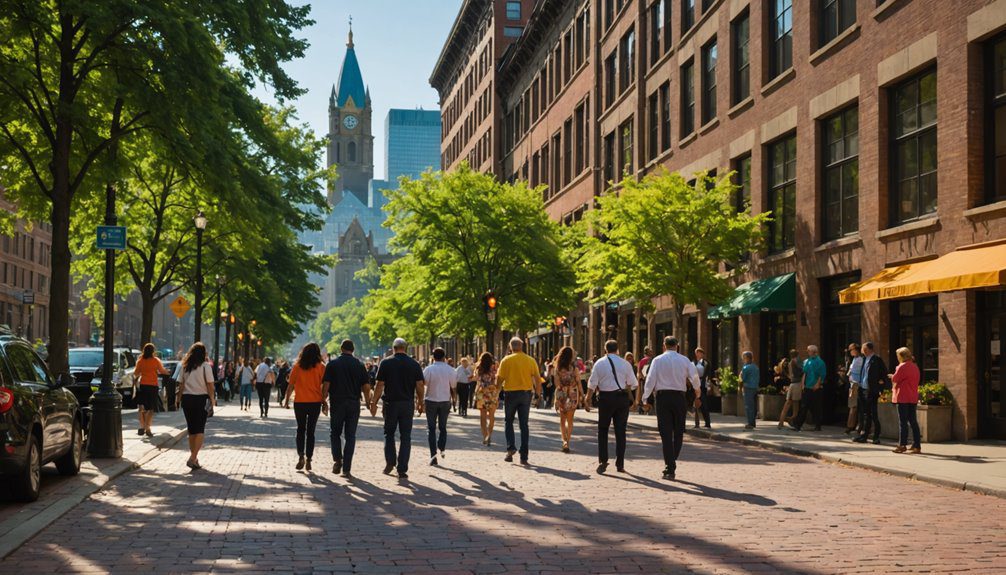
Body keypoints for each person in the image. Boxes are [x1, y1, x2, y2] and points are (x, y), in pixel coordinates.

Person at [641, 336, 700, 481]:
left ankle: (670, 465)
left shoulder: (657, 360)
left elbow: (650, 380)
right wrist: (697, 392)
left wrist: (644, 398)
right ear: (677, 346)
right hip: (679, 397)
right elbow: (694, 376)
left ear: (664, 346)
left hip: (663, 398)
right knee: (679, 430)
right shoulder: (685, 360)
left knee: (665, 432)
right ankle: (672, 461)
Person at [369, 338, 424, 479]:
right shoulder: (414, 364)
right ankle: (402, 468)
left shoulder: (386, 362)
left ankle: (390, 462)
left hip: (391, 404)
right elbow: (419, 385)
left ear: (393, 348)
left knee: (389, 433)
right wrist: (420, 402)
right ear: (405, 348)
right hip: (407, 404)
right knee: (406, 436)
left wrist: (374, 402)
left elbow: (380, 384)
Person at [584, 340, 638, 474]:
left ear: (605, 349)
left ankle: (603, 460)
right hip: (621, 399)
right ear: (617, 349)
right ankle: (620, 463)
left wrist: (587, 398)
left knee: (603, 430)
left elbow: (592, 383)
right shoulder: (625, 364)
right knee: (621, 431)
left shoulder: (599, 363)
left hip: (606, 399)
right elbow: (633, 383)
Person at [322, 339, 372, 478]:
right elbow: (366, 387)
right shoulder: (359, 365)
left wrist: (323, 400)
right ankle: (347, 468)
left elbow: (326, 384)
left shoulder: (332, 364)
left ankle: (338, 459)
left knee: (335, 433)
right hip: (353, 403)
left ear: (341, 348)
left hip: (337, 402)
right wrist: (368, 402)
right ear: (353, 349)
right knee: (350, 436)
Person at [496, 337, 543, 465]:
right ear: (522, 347)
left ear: (511, 347)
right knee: (524, 425)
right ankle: (524, 456)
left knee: (509, 421)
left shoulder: (506, 360)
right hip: (525, 395)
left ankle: (510, 448)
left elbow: (499, 379)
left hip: (510, 394)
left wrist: (496, 393)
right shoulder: (530, 360)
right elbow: (538, 379)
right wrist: (538, 395)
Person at [283, 343, 326, 471]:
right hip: (315, 402)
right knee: (311, 431)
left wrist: (286, 401)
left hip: (300, 402)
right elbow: (324, 386)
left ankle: (301, 455)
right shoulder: (321, 367)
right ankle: (309, 459)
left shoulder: (297, 367)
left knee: (300, 429)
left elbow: (290, 386)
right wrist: (324, 401)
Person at [175, 342, 215, 470]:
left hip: (187, 399)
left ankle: (194, 458)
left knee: (191, 429)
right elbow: (210, 385)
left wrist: (178, 399)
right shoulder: (205, 367)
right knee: (200, 430)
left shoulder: (185, 366)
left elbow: (181, 384)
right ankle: (192, 457)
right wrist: (212, 399)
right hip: (201, 399)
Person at [423, 347, 456, 466]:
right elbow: (453, 385)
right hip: (444, 401)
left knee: (431, 428)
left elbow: (424, 383)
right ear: (444, 357)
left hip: (431, 400)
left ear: (433, 357)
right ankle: (441, 447)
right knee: (443, 427)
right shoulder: (450, 369)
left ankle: (433, 455)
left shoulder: (428, 369)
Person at [854, 342, 889, 444]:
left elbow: (884, 375)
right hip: (863, 389)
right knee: (865, 414)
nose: (863, 351)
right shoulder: (864, 359)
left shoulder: (877, 360)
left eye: (864, 349)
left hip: (872, 391)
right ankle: (864, 436)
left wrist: (879, 389)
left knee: (873, 414)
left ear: (869, 349)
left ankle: (876, 437)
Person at [890, 347, 922, 454]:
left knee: (902, 422)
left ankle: (902, 445)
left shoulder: (902, 366)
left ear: (901, 356)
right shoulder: (915, 367)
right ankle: (917, 445)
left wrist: (892, 375)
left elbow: (895, 379)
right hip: (912, 397)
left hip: (902, 396)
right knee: (913, 421)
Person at [133, 343, 168, 438]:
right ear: (153, 351)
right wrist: (167, 371)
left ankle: (142, 426)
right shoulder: (156, 361)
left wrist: (142, 372)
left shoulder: (140, 361)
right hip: (153, 386)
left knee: (142, 407)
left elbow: (136, 373)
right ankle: (147, 428)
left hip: (143, 385)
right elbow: (162, 371)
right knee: (151, 408)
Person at [790, 346, 826, 432]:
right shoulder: (807, 361)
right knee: (804, 406)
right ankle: (798, 425)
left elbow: (822, 374)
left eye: (809, 351)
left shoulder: (820, 362)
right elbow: (804, 374)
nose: (807, 352)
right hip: (807, 387)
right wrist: (802, 385)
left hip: (816, 388)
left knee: (816, 407)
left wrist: (818, 384)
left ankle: (818, 425)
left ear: (814, 352)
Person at [551, 346, 580, 453]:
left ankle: (564, 441)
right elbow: (578, 383)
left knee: (562, 420)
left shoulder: (557, 368)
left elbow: (557, 385)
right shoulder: (574, 368)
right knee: (570, 420)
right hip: (572, 394)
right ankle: (568, 440)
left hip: (562, 395)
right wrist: (582, 397)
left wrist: (556, 399)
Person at [474, 352, 499, 446]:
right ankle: (490, 434)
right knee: (491, 414)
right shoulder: (495, 367)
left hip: (481, 392)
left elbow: (477, 379)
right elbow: (497, 378)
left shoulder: (479, 368)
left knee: (483, 415)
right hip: (492, 392)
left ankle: (485, 436)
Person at [845, 343, 864, 434]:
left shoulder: (860, 359)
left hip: (856, 384)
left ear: (856, 350)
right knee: (853, 405)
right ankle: (852, 426)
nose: (849, 351)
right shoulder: (854, 359)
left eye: (851, 350)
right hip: (853, 384)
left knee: (853, 406)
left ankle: (851, 426)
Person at [778, 357, 801, 429]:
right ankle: (791, 420)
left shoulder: (786, 370)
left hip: (791, 386)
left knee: (788, 405)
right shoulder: (794, 366)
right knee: (794, 405)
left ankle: (782, 422)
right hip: (795, 386)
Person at [693, 348, 712, 429]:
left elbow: (707, 375)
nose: (698, 354)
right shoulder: (693, 362)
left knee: (703, 404)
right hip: (694, 385)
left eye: (700, 353)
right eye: (697, 353)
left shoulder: (706, 363)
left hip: (702, 385)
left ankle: (707, 423)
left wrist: (707, 385)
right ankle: (696, 423)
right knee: (695, 405)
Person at [740, 351, 760, 429]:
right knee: (754, 406)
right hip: (755, 387)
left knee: (749, 406)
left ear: (747, 358)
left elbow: (743, 379)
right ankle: (753, 422)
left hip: (748, 387)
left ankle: (750, 423)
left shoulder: (746, 367)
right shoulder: (756, 367)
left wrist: (741, 375)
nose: (743, 359)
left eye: (744, 358)